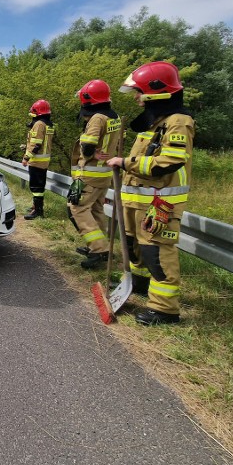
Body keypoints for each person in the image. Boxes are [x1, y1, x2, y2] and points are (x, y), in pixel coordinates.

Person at [106, 61, 194, 326]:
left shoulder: (179, 123)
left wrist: (124, 163)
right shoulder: (157, 124)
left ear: (157, 93)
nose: (137, 98)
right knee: (135, 249)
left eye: (140, 92)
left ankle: (165, 309)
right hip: (135, 200)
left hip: (159, 203)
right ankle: (140, 285)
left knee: (157, 253)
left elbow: (168, 162)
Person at [67, 80, 122, 269]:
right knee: (97, 210)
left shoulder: (98, 118)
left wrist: (90, 152)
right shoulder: (114, 116)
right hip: (104, 174)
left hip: (90, 174)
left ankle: (97, 249)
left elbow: (89, 144)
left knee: (77, 208)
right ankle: (103, 249)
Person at [21, 99, 54, 220]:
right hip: (44, 160)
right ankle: (36, 206)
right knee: (39, 185)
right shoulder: (48, 124)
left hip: (36, 161)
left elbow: (36, 144)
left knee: (36, 187)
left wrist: (26, 157)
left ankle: (38, 211)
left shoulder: (39, 124)